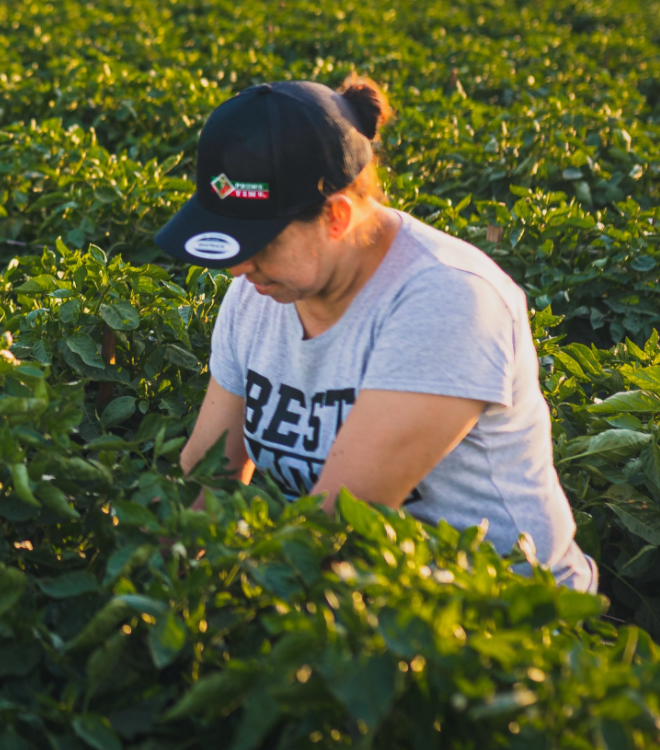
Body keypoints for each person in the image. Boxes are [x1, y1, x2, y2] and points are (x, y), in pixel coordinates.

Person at [158, 76, 596, 592]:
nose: (237, 269)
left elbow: (336, 522)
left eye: (261, 243)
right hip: (372, 602)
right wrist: (152, 579)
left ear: (336, 217)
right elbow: (208, 476)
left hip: (510, 620)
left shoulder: (445, 301)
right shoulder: (259, 295)